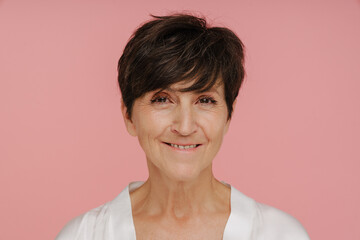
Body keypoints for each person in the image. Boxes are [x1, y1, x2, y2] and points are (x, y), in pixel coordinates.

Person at [56, 14, 310, 240]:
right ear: (128, 116)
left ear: (228, 117)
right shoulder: (83, 235)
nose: (185, 126)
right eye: (162, 99)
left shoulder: (282, 234)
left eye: (205, 100)